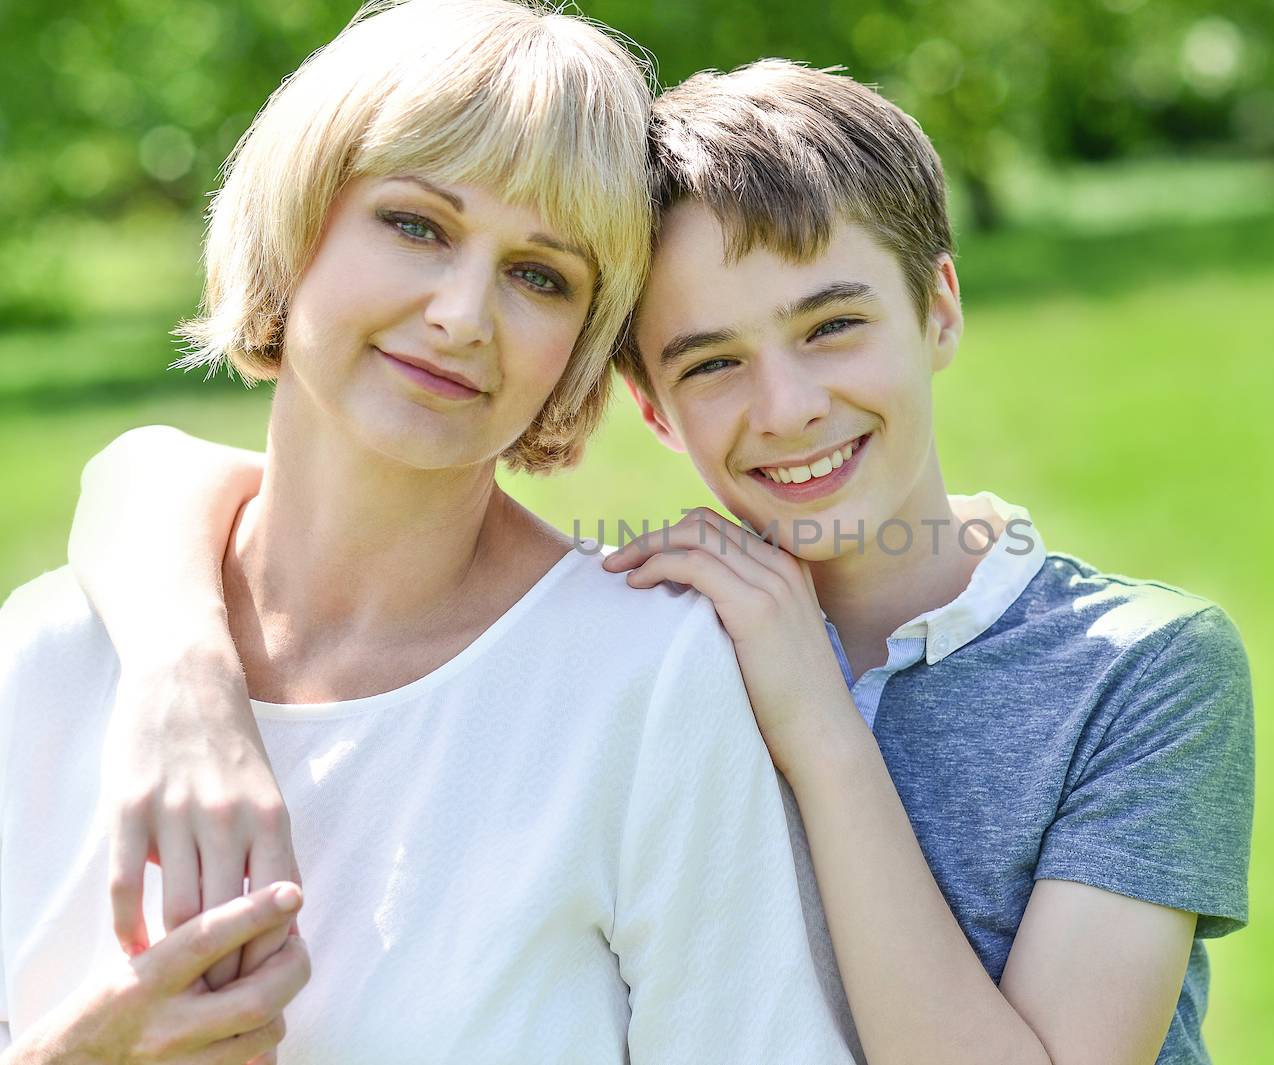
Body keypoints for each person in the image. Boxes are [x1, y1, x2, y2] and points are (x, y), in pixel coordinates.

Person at [63, 60, 1253, 1065]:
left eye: (833, 325)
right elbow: (155, 473)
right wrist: (184, 673)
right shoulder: (664, 635)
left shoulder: (1136, 671)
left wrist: (819, 728)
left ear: (938, 308)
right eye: (710, 362)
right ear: (648, 405)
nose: (786, 408)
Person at [0, 7, 858, 1062]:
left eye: (540, 276)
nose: (462, 314)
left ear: (583, 348)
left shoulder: (645, 681)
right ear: (301, 218)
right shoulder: (49, 654)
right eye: (416, 225)